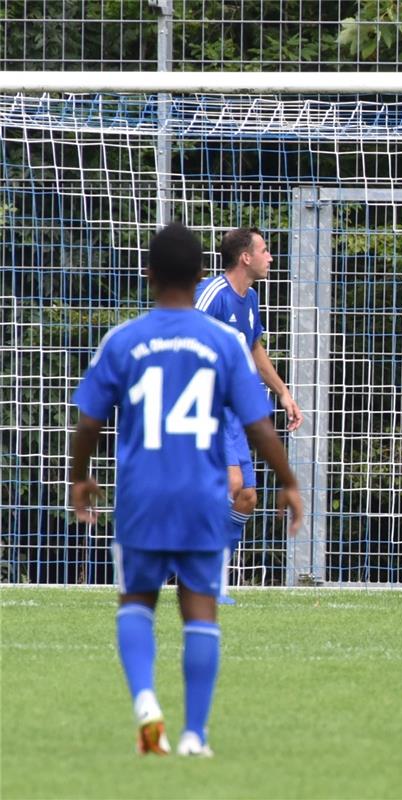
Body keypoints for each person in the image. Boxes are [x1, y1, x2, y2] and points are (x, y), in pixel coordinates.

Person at [69, 223, 303, 757]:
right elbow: (259, 426)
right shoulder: (220, 341)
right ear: (201, 275)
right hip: (200, 494)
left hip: (141, 495)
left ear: (148, 275)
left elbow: (88, 421)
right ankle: (195, 734)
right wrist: (289, 481)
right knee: (200, 610)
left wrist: (81, 476)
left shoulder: (123, 338)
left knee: (137, 603)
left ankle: (148, 708)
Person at [194, 228, 304, 603]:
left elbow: (254, 348)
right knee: (232, 481)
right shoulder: (211, 295)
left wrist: (284, 392)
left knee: (247, 498)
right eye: (264, 250)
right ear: (245, 257)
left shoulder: (250, 298)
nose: (270, 257)